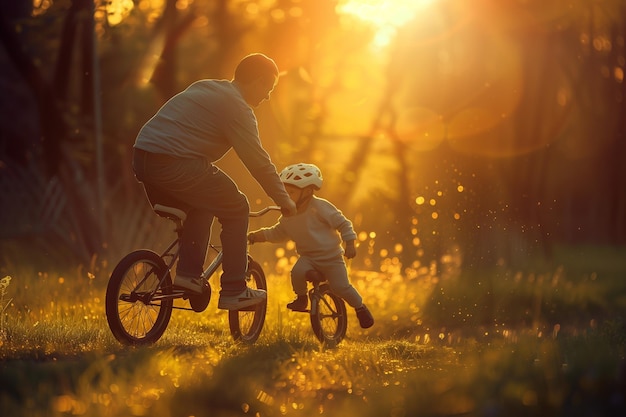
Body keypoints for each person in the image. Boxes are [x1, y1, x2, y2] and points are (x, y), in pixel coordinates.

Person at [132, 53, 297, 311]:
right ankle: (234, 289)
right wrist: (284, 200)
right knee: (237, 207)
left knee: (203, 202)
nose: (267, 96)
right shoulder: (238, 108)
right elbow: (258, 162)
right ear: (257, 81)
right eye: (268, 88)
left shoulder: (208, 87)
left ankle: (188, 275)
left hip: (143, 158)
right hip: (173, 162)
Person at [247, 163, 374, 329]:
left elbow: (343, 223)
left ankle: (360, 308)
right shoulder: (289, 214)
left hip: (332, 258)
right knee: (297, 272)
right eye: (284, 191)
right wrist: (258, 236)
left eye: (291, 192)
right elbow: (278, 232)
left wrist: (349, 242)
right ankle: (301, 298)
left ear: (307, 192)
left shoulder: (321, 207)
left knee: (341, 287)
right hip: (308, 258)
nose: (286, 195)